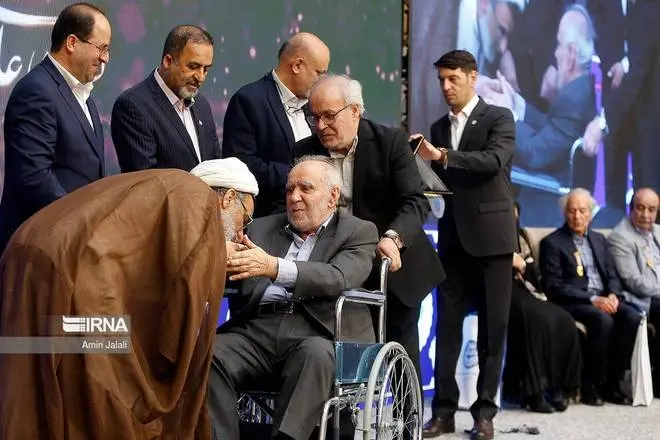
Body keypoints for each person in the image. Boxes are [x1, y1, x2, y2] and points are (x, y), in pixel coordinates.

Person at [0, 158, 258, 439]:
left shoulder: (159, 185)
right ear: (228, 197)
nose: (241, 233)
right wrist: (217, 256)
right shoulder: (199, 198)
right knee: (104, 391)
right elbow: (185, 301)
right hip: (76, 281)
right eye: (245, 219)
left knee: (28, 367)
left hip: (27, 254)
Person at [207, 156, 379, 440]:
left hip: (318, 331)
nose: (294, 197)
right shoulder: (260, 228)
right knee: (209, 352)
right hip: (258, 329)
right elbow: (229, 270)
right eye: (289, 190)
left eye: (305, 188)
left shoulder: (358, 232)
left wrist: (274, 267)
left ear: (332, 196)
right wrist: (220, 256)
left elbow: (338, 277)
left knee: (317, 355)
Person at [295, 74, 446, 390]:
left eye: (329, 116)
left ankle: (407, 418)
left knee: (399, 356)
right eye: (314, 117)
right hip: (337, 270)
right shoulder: (305, 152)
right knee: (340, 359)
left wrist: (393, 237)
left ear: (355, 111)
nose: (320, 125)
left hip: (393, 265)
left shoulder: (390, 142)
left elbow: (415, 200)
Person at [412, 49, 516, 440]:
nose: (446, 86)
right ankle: (443, 412)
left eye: (453, 78)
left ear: (473, 77)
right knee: (447, 329)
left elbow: (493, 161)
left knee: (492, 330)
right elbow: (442, 180)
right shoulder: (438, 127)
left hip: (492, 240)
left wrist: (443, 156)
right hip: (453, 240)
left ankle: (484, 414)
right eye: (441, 79)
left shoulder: (499, 117)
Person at [0, 2, 111, 253]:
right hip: (39, 248)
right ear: (72, 43)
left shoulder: (85, 97)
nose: (105, 58)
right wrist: (81, 227)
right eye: (101, 48)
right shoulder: (36, 91)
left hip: (73, 248)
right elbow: (34, 177)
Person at [486, 4, 597, 227]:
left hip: (548, 198)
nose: (555, 53)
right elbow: (550, 128)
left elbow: (535, 154)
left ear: (571, 54)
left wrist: (508, 115)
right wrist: (517, 104)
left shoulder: (573, 98)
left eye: (558, 45)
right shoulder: (580, 89)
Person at [539, 188, 641, 406]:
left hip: (604, 298)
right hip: (575, 302)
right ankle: (591, 385)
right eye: (572, 211)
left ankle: (613, 383)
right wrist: (592, 299)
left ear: (591, 213)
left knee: (632, 318)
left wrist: (613, 295)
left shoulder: (599, 239)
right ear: (565, 213)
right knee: (602, 320)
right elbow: (554, 286)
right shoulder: (552, 243)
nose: (577, 216)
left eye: (582, 211)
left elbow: (612, 275)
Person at [223, 32, 330, 217]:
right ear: (297, 65)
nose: (322, 81)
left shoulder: (314, 106)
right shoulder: (249, 100)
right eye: (319, 73)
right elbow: (241, 165)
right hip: (269, 219)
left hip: (316, 218)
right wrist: (299, 177)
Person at [503, 201, 582, 413]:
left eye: (514, 216)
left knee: (563, 319)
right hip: (502, 291)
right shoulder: (488, 236)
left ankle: (557, 387)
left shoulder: (519, 238)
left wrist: (522, 264)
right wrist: (507, 261)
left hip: (527, 290)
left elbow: (531, 273)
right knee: (536, 320)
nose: (511, 220)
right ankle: (533, 391)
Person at [111, 24, 221, 172]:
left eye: (206, 69)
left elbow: (216, 165)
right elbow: (145, 179)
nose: (200, 77)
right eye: (193, 67)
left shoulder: (202, 105)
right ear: (168, 61)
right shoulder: (133, 106)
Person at [608, 188, 660, 395]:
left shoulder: (658, 232)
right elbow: (633, 281)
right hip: (639, 299)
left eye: (651, 210)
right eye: (640, 208)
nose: (646, 215)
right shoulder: (620, 237)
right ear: (631, 209)